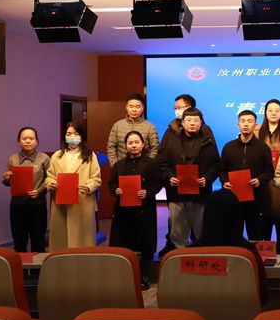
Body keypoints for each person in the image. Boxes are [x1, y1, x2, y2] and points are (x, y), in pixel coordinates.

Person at [158, 94, 215, 257]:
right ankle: (179, 260)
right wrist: (169, 177)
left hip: (200, 193)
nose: (192, 123)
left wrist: (207, 178)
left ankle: (201, 259)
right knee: (177, 232)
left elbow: (215, 163)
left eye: (180, 107)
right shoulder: (171, 132)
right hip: (177, 192)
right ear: (183, 123)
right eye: (175, 108)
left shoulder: (206, 133)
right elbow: (162, 162)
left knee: (201, 231)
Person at [192, 189, 268, 305]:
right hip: (243, 314)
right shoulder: (248, 252)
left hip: (197, 313)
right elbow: (263, 296)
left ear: (206, 215)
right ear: (238, 216)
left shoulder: (190, 252)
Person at [109, 131, 162, 290]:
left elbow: (158, 183)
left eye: (137, 142)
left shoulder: (151, 163)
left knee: (146, 244)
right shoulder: (119, 165)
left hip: (144, 210)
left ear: (143, 145)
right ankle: (123, 276)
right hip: (123, 211)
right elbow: (111, 183)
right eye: (130, 143)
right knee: (122, 243)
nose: (133, 145)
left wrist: (148, 192)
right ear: (125, 146)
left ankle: (144, 276)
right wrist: (116, 190)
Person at [44, 122, 101, 250]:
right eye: (69, 134)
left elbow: (96, 178)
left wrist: (88, 187)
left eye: (76, 134)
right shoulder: (56, 156)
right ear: (64, 136)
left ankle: (83, 261)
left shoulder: (90, 155)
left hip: (82, 201)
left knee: (82, 241)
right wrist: (50, 183)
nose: (72, 137)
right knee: (61, 239)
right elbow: (50, 176)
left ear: (81, 136)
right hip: (61, 203)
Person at [220, 110, 274, 241]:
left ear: (255, 125)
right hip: (233, 198)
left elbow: (269, 171)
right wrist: (224, 181)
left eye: (249, 121)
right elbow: (222, 170)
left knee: (256, 236)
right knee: (232, 235)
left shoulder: (263, 147)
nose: (246, 124)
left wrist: (259, 180)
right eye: (242, 121)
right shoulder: (229, 147)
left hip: (256, 199)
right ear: (238, 124)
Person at [254, 99, 280, 251]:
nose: (273, 113)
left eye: (277, 110)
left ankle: (279, 245)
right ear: (265, 112)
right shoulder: (256, 130)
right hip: (262, 179)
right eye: (270, 110)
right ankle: (265, 248)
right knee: (263, 215)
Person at [2, 126, 50, 252]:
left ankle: (38, 266)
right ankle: (20, 265)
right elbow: (7, 183)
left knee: (38, 242)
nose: (28, 141)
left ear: (36, 141)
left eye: (31, 138)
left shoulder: (44, 158)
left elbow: (50, 179)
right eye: (24, 138)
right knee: (19, 243)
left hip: (37, 205)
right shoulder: (12, 159)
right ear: (19, 141)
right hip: (17, 206)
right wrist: (6, 178)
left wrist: (39, 191)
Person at [107, 93, 159, 167]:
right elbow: (111, 147)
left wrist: (148, 165)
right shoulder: (117, 125)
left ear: (142, 108)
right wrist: (115, 166)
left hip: (143, 168)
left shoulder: (150, 127)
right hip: (122, 167)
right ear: (126, 107)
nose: (134, 110)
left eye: (138, 107)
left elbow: (155, 148)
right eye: (131, 106)